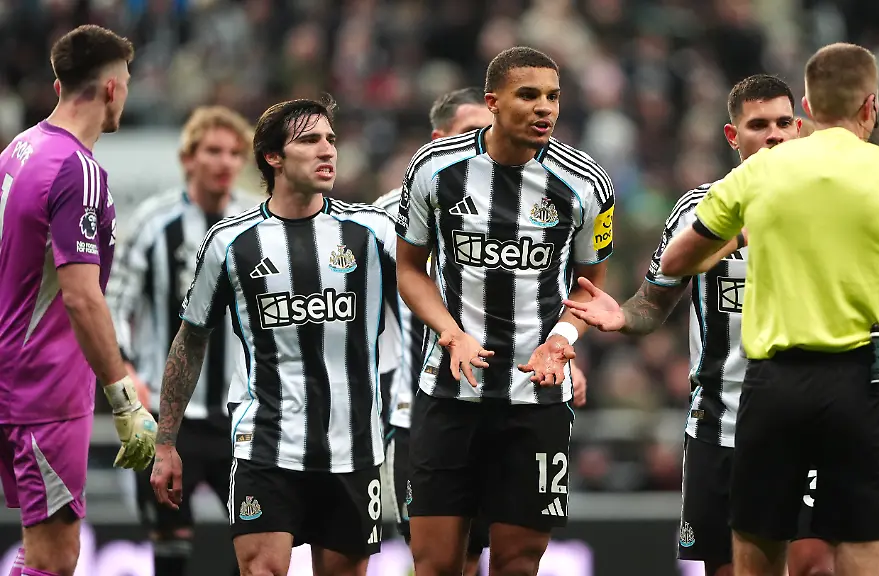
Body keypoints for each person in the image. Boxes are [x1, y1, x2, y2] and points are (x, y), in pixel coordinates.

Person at [656, 42, 879, 576]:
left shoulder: (761, 173)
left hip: (772, 385)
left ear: (807, 109)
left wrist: (736, 238)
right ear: (871, 105)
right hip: (859, 385)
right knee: (861, 559)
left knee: (754, 561)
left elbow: (677, 259)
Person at [564, 74, 829, 576]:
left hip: (808, 423)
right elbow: (651, 305)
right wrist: (623, 318)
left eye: (781, 124)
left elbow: (861, 302)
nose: (772, 135)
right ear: (734, 137)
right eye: (757, 125)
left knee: (816, 565)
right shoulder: (697, 210)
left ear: (798, 128)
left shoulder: (828, 208)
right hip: (720, 426)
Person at [149, 96, 398, 576]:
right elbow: (191, 338)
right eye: (309, 140)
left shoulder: (372, 232)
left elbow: (432, 299)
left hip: (354, 448)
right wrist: (165, 442)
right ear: (273, 157)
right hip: (265, 445)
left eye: (330, 139)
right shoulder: (230, 242)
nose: (327, 150)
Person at [396, 46, 614, 576]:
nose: (545, 108)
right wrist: (452, 334)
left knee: (518, 562)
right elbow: (409, 270)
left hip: (535, 400)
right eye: (529, 95)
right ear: (492, 102)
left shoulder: (587, 184)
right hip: (447, 395)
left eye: (553, 97)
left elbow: (589, 289)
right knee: (436, 563)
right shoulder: (434, 170)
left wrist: (560, 341)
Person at [0, 25, 157, 576]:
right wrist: (123, 399)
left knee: (38, 548)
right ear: (112, 89)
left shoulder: (18, 149)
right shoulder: (79, 170)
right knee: (56, 557)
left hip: (13, 375)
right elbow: (82, 298)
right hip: (44, 388)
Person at [106, 105, 254, 576]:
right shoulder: (154, 223)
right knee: (170, 554)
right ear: (188, 157)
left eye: (234, 153)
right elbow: (114, 304)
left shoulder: (256, 223)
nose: (224, 162)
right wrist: (127, 373)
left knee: (256, 551)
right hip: (169, 416)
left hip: (241, 415)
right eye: (212, 150)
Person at [375, 87, 494, 576]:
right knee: (434, 558)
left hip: (500, 408)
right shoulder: (382, 219)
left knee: (476, 555)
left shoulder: (524, 208)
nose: (483, 142)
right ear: (438, 138)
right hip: (414, 412)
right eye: (470, 132)